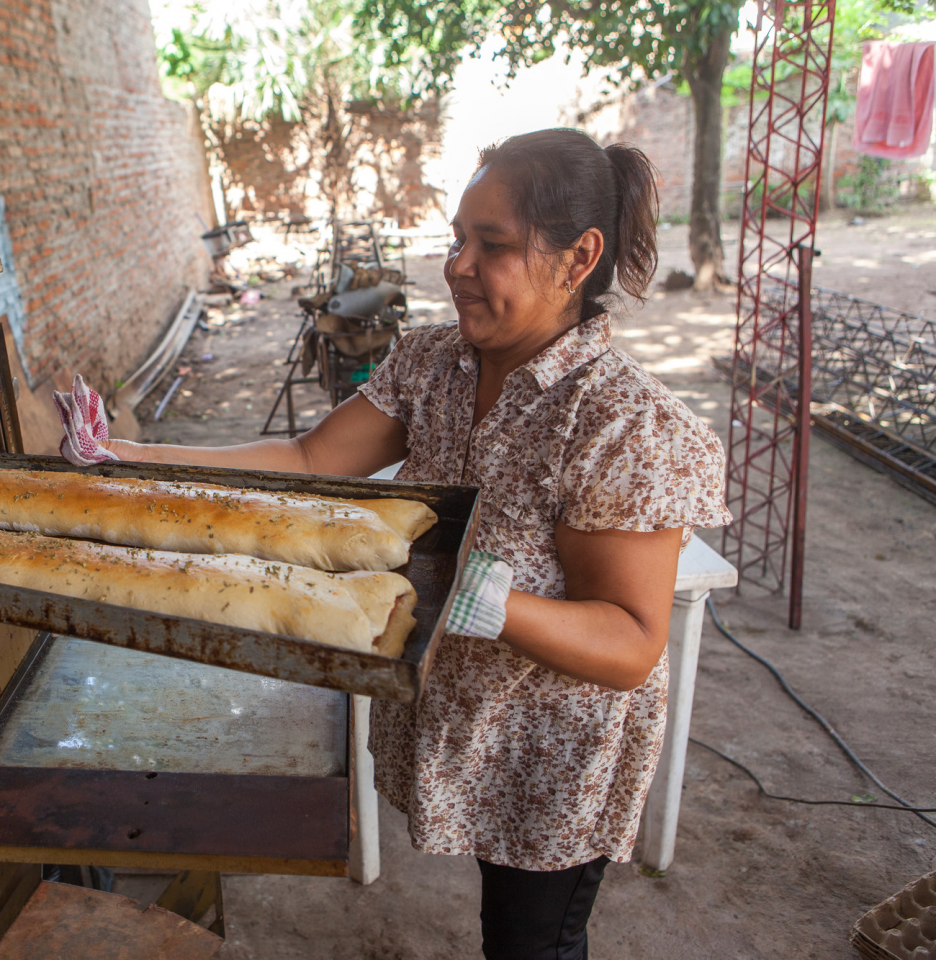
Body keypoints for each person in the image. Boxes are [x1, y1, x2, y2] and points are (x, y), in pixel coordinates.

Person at [59, 127, 731, 959]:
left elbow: (630, 642)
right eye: (457, 240)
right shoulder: (435, 363)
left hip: (547, 746)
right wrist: (133, 459)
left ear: (578, 258)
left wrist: (480, 597)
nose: (457, 265)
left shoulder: (622, 426)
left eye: (494, 246)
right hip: (461, 710)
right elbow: (309, 461)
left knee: (530, 941)